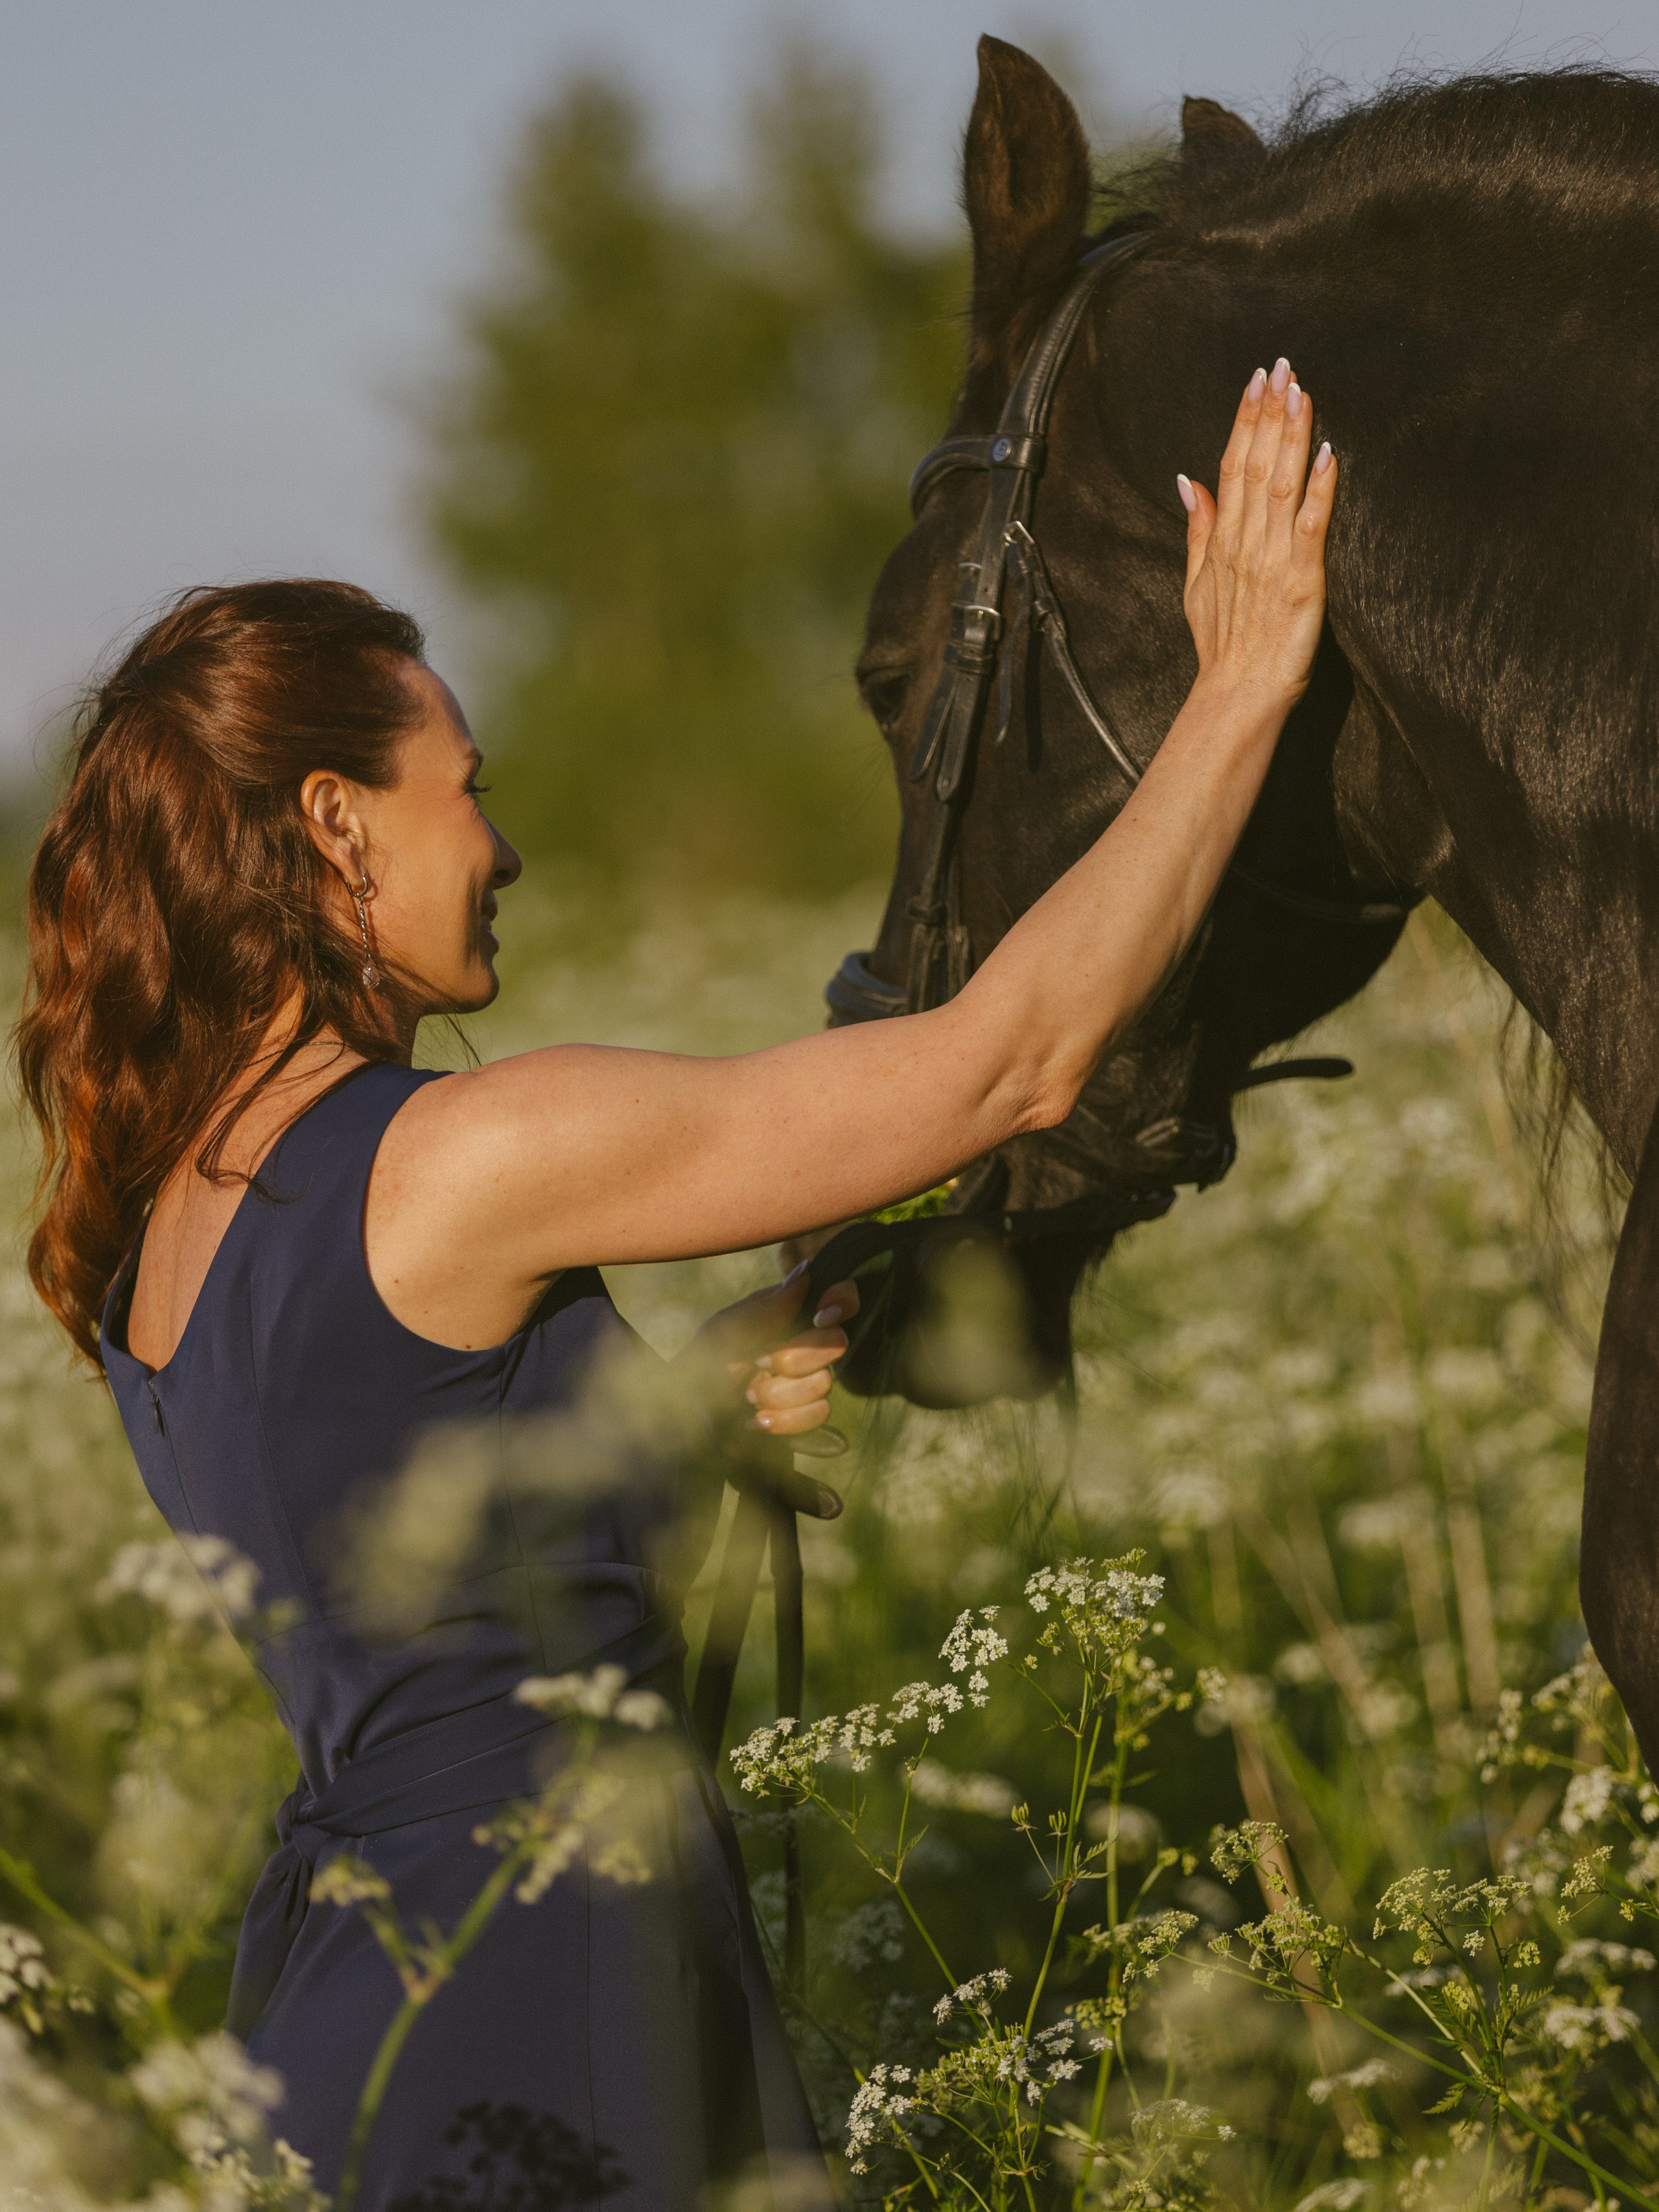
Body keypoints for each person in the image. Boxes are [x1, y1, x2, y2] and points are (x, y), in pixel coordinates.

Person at [16, 359, 1332, 2206]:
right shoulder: (456, 1156)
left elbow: (406, 1555)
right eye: (463, 789)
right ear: (333, 823)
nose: (507, 846)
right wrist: (1245, 686)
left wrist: (671, 1404)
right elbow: (1000, 1069)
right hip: (549, 1981)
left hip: (345, 2004)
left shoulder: (159, 1228)